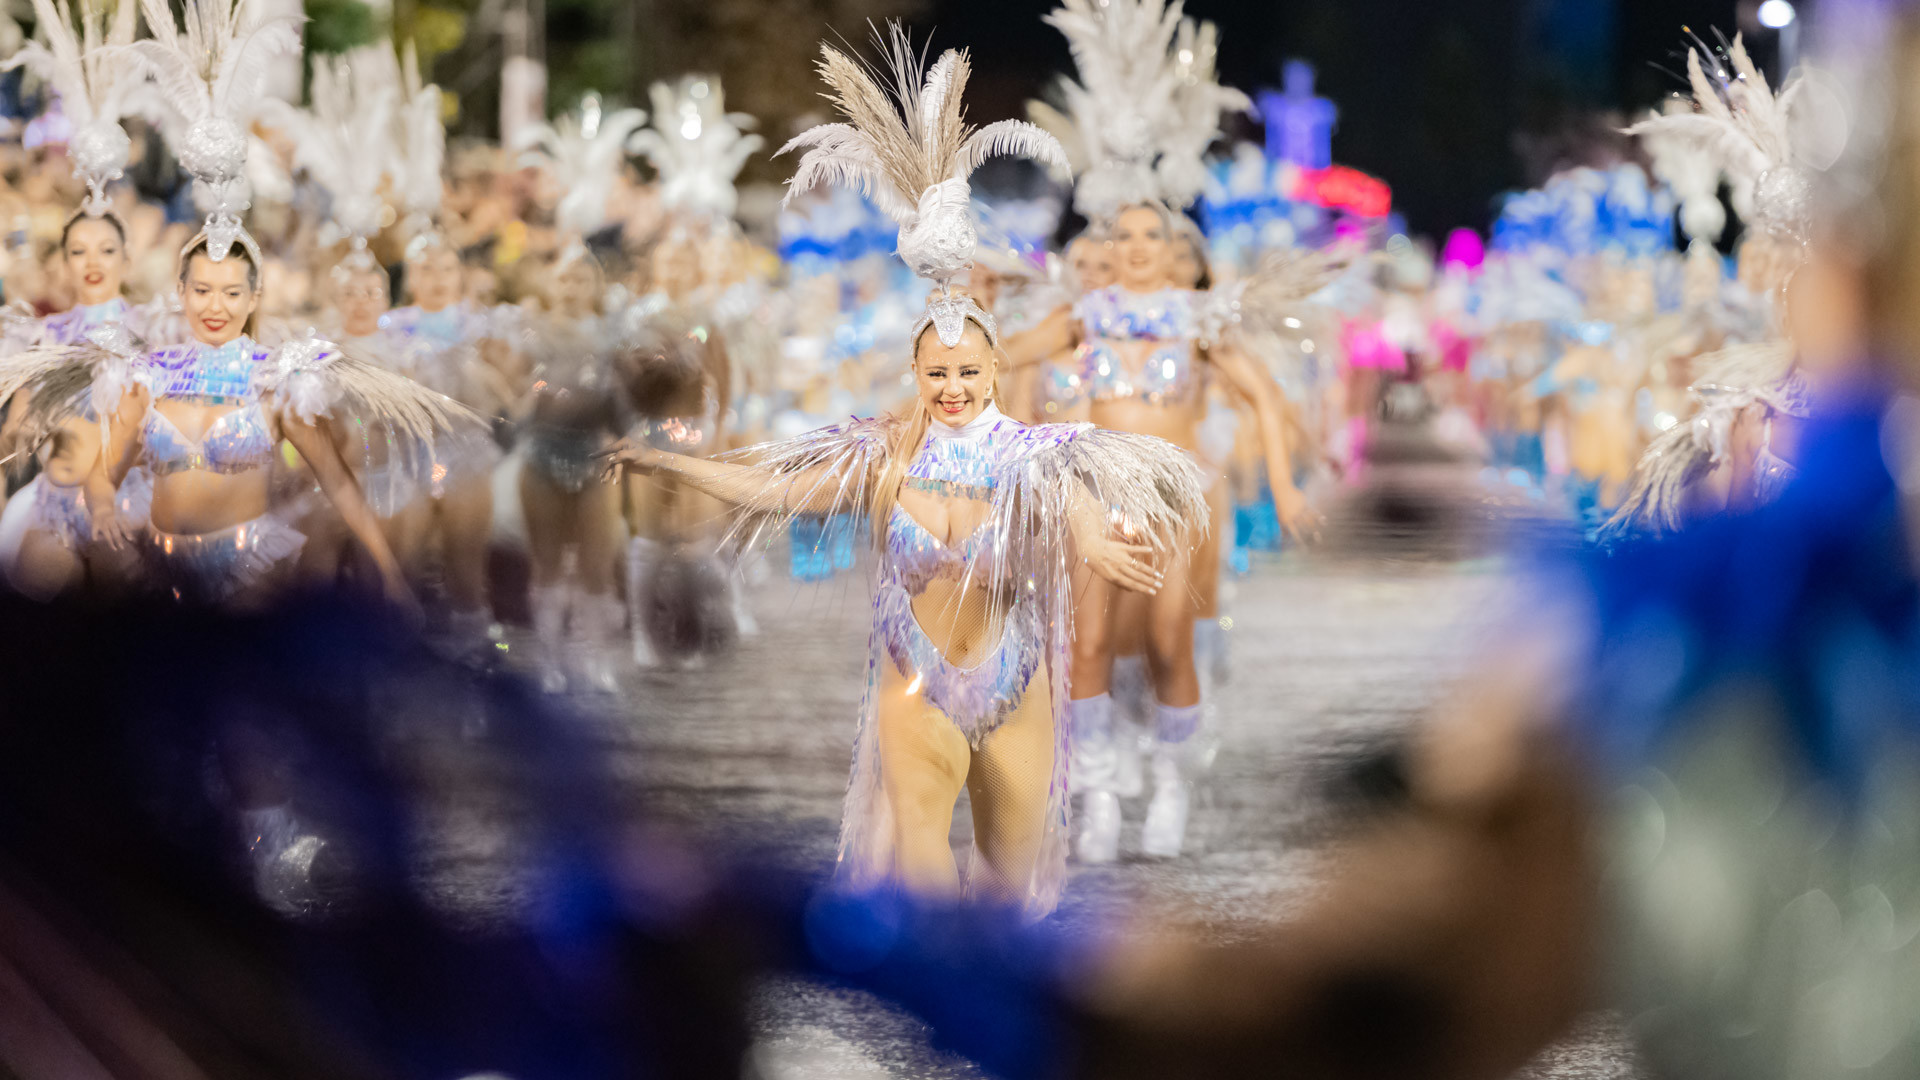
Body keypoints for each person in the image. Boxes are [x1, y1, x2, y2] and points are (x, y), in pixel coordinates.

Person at [609, 29, 1203, 916]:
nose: (955, 388)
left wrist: (1107, 548)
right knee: (927, 880)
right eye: (938, 375)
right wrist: (671, 461)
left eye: (969, 373)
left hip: (1014, 682)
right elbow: (775, 490)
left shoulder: (1035, 455)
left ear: (996, 372)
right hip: (913, 679)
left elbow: (1080, 515)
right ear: (916, 377)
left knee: (1010, 887)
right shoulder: (884, 453)